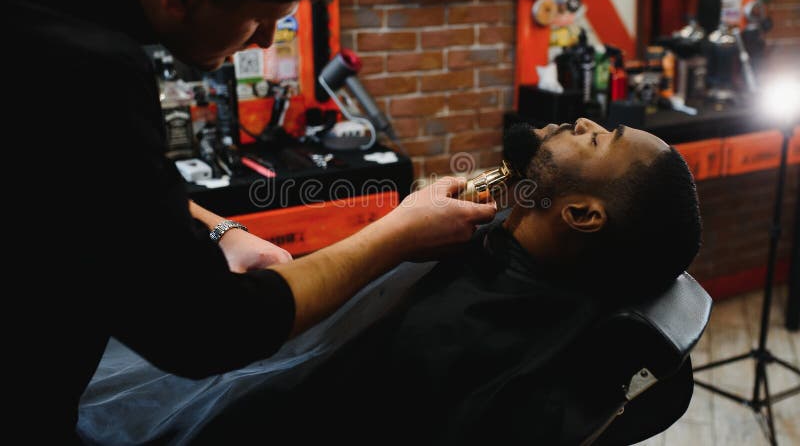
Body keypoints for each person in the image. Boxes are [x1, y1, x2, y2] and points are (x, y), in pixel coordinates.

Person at [0, 0, 496, 442]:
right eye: (263, 21)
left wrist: (221, 230)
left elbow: (74, 172)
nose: (263, 42)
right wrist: (399, 233)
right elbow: (206, 328)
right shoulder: (87, 64)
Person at [78, 118, 703, 445]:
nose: (583, 121)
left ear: (583, 215)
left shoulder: (464, 333)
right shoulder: (486, 261)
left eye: (600, 139)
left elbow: (247, 353)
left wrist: (397, 234)